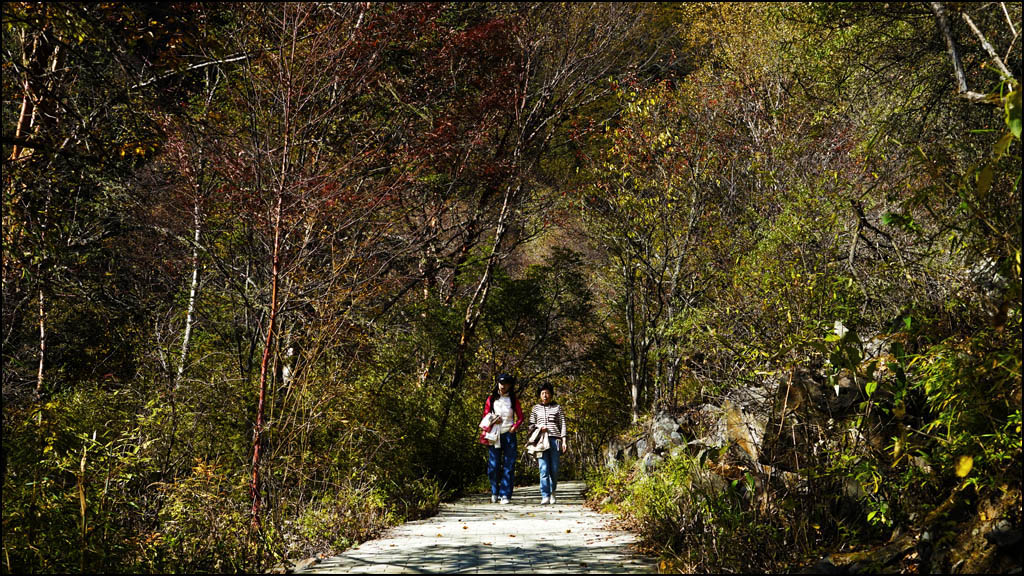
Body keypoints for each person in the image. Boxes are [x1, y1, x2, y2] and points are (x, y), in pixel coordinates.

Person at [481, 373, 524, 504]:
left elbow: (521, 417)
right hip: (494, 434)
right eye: (500, 383)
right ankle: (494, 491)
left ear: (510, 385)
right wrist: (494, 419)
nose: (502, 386)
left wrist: (515, 426)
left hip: (509, 434)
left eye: (505, 383)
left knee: (509, 465)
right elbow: (485, 415)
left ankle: (505, 494)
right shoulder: (491, 399)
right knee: (493, 465)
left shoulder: (513, 399)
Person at [529, 382, 567, 505]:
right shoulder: (535, 408)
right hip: (541, 441)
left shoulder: (557, 407)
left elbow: (563, 424)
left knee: (554, 469)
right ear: (539, 395)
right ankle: (545, 495)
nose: (545, 395)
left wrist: (564, 440)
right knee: (543, 468)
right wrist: (539, 427)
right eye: (543, 393)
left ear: (551, 394)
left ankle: (553, 492)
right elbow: (530, 426)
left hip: (555, 440)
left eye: (547, 393)